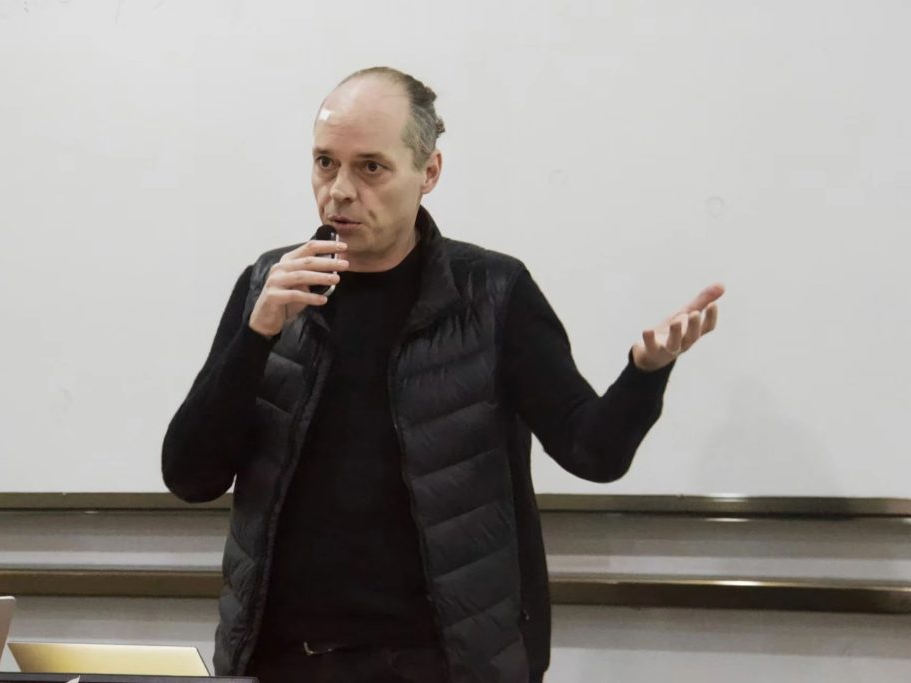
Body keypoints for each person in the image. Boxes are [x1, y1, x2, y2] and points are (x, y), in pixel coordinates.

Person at [162, 66, 723, 683]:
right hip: (283, 659)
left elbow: (594, 453)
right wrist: (256, 335)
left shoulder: (493, 293)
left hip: (443, 662)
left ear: (428, 172)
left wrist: (645, 373)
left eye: (370, 167)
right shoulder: (269, 288)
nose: (340, 191)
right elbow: (191, 476)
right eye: (325, 163)